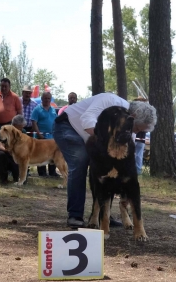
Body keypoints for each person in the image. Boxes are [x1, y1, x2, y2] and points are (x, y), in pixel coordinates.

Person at [53, 92, 157, 228]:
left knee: (110, 171)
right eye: (137, 129)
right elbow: (87, 119)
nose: (135, 133)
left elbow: (127, 156)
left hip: (85, 135)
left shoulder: (127, 127)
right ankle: (75, 214)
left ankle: (104, 214)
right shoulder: (109, 100)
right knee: (80, 161)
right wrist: (107, 141)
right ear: (133, 118)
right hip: (67, 126)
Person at [31, 91, 60, 177]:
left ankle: (52, 172)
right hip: (41, 136)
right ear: (42, 99)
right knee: (41, 154)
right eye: (45, 98)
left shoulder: (53, 110)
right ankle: (42, 173)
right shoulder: (37, 109)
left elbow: (56, 122)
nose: (47, 100)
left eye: (48, 98)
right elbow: (34, 123)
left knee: (53, 154)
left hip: (52, 137)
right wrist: (39, 133)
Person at [0, 78, 22, 148]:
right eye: (2, 86)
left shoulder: (15, 97)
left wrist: (17, 126)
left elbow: (19, 112)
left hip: (9, 126)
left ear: (9, 87)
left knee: (8, 145)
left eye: (5, 86)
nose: (3, 88)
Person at [0, 115, 25, 184]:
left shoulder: (23, 131)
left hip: (18, 158)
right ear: (14, 125)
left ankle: (19, 177)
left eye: (21, 127)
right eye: (19, 127)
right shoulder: (5, 130)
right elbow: (0, 146)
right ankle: (3, 178)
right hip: (8, 155)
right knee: (0, 155)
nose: (20, 129)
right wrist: (9, 150)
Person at [132, 97, 148, 175]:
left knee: (139, 155)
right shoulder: (134, 112)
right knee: (132, 154)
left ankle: (138, 171)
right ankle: (132, 170)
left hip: (141, 137)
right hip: (133, 136)